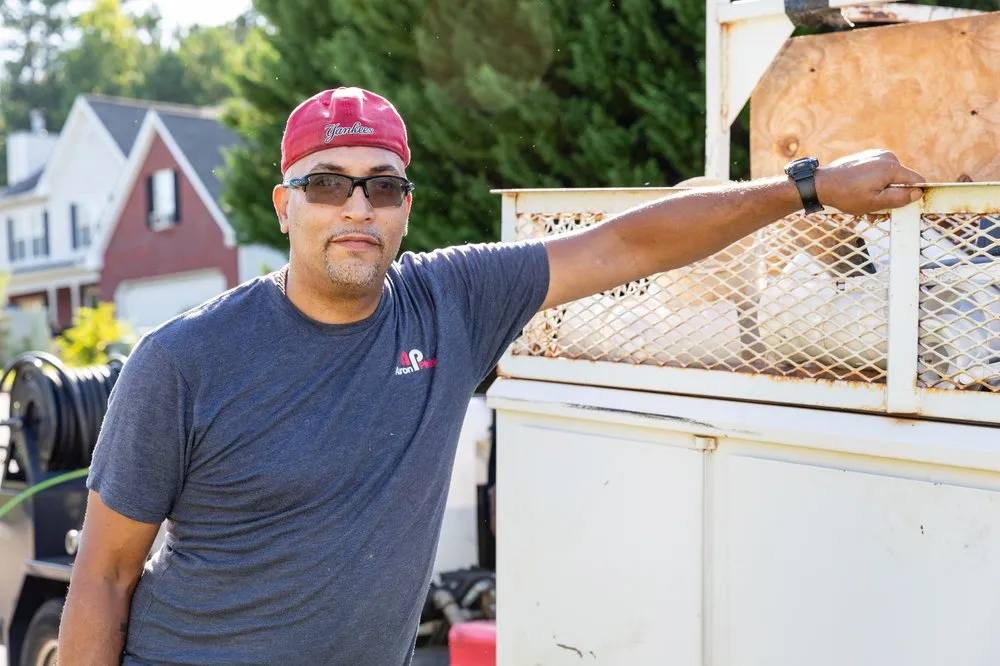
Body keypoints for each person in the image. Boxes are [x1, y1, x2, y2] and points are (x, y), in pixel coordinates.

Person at [58, 86, 924, 665]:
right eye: (327, 184)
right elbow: (103, 577)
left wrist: (809, 188)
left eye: (382, 186)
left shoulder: (450, 303)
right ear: (285, 205)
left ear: (407, 208)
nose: (357, 207)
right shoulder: (184, 361)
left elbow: (627, 242)